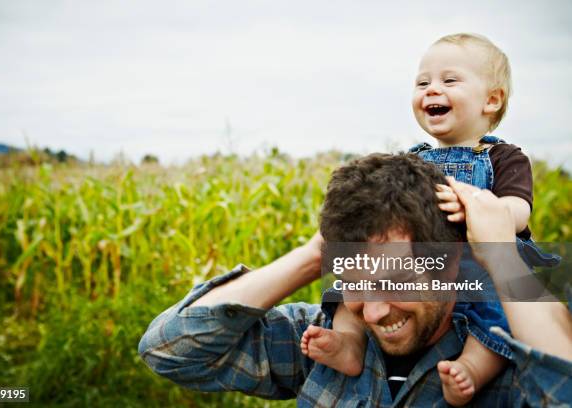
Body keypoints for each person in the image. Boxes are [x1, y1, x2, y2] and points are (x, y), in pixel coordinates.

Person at [138, 153, 572, 407]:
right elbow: (170, 350)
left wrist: (502, 257)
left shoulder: (502, 361)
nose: (375, 311)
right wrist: (311, 258)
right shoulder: (321, 344)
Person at [306, 33, 559, 406]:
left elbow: (519, 209)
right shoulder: (413, 158)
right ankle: (349, 344)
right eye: (422, 82)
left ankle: (471, 369)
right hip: (419, 267)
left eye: (449, 80)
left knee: (498, 316)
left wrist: (484, 208)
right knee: (349, 288)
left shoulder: (503, 157)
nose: (431, 90)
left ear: (492, 99)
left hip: (481, 266)